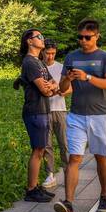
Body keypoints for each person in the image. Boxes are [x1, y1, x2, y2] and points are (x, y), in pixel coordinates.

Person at [53, 19, 106, 212]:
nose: (83, 40)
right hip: (76, 115)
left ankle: (104, 194)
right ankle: (69, 203)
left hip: (99, 115)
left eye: (87, 37)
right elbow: (62, 89)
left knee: (100, 156)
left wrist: (87, 77)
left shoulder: (105, 57)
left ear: (96, 36)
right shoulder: (71, 57)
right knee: (74, 157)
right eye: (80, 37)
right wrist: (68, 79)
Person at [15, 28, 58, 201]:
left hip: (44, 110)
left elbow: (53, 83)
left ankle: (35, 186)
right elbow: (45, 89)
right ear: (29, 41)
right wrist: (50, 88)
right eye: (38, 36)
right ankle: (31, 190)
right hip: (35, 111)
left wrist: (52, 87)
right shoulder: (29, 62)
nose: (42, 38)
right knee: (37, 150)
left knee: (41, 149)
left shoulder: (39, 62)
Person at [41, 40, 69, 191]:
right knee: (47, 144)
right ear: (42, 52)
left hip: (59, 109)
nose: (50, 56)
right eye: (47, 53)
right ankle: (50, 174)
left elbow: (71, 88)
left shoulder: (61, 67)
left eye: (53, 53)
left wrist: (62, 90)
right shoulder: (38, 67)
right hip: (43, 109)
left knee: (64, 143)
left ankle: (67, 172)